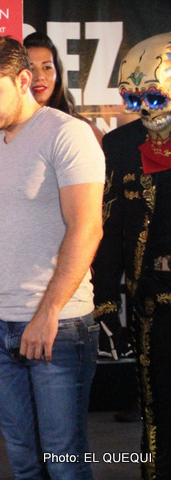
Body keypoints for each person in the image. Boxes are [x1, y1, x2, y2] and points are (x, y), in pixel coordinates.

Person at [0, 35, 104, 479]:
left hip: (60, 327)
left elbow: (87, 228)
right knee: (23, 463)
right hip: (1, 326)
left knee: (64, 464)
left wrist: (49, 311)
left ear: (24, 81)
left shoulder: (67, 133)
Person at [91, 32, 171, 480]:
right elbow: (107, 231)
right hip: (154, 302)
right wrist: (105, 304)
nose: (143, 109)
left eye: (155, 96)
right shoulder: (121, 146)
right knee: (158, 415)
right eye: (132, 97)